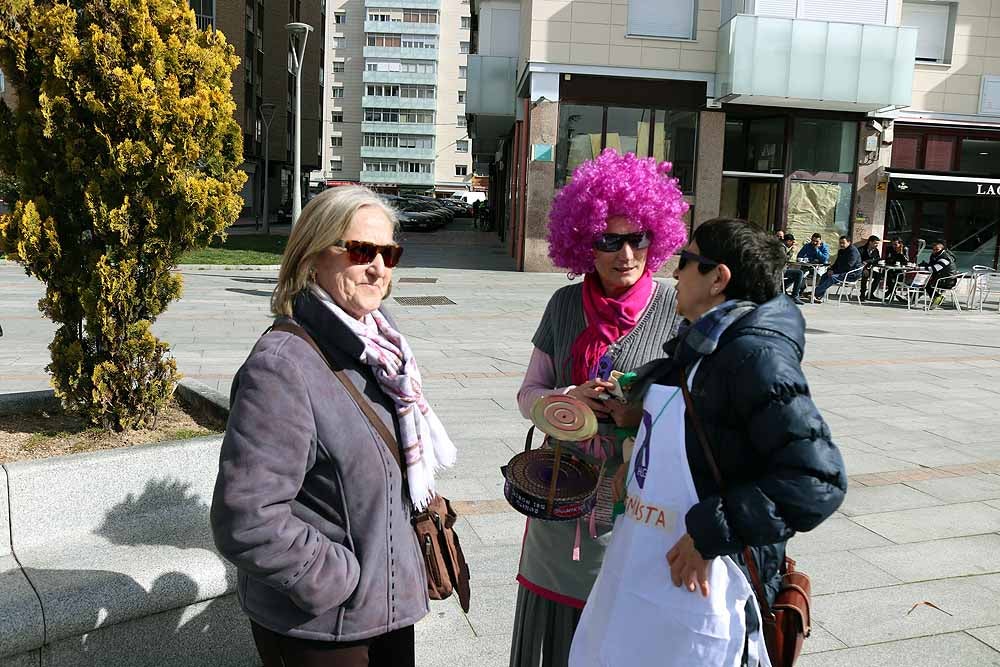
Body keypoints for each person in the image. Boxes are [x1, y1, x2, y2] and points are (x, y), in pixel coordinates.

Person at [572, 218, 846, 666]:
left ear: (718, 279)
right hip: (647, 569)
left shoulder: (755, 355)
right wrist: (639, 456)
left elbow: (818, 480)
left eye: (686, 261)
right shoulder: (702, 346)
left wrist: (711, 534)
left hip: (705, 586)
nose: (675, 273)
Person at [211, 186, 454, 667]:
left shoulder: (381, 353)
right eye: (361, 250)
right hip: (323, 629)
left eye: (389, 253)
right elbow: (246, 517)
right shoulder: (282, 367)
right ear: (312, 256)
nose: (378, 267)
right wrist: (339, 577)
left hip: (385, 613)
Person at [510, 148, 687, 667]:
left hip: (638, 496)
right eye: (609, 240)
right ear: (584, 241)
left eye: (638, 238)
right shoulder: (564, 305)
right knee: (558, 628)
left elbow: (695, 411)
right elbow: (528, 395)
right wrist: (567, 397)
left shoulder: (676, 308)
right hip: (562, 487)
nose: (625, 253)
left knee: (627, 629)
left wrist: (637, 407)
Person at [813, 235, 862, 303]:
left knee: (832, 278)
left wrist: (835, 272)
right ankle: (818, 297)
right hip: (842, 272)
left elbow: (848, 266)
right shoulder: (841, 251)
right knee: (825, 275)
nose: (841, 244)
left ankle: (813, 293)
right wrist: (831, 270)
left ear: (849, 242)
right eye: (840, 243)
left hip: (851, 274)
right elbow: (836, 264)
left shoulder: (853, 252)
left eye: (843, 243)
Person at [920, 240, 959, 308]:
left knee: (925, 283)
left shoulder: (945, 257)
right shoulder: (935, 255)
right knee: (924, 282)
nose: (935, 251)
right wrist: (924, 265)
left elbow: (935, 268)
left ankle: (937, 297)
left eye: (937, 249)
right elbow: (931, 265)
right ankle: (935, 299)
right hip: (941, 278)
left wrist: (919, 268)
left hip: (948, 281)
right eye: (933, 249)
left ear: (942, 249)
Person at [780, 233, 806, 305]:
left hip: (781, 269)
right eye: (792, 242)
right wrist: (792, 251)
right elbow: (784, 259)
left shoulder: (781, 246)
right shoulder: (781, 247)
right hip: (779, 271)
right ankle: (795, 296)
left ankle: (782, 288)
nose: (792, 244)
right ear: (788, 241)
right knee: (799, 273)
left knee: (796, 275)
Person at [858, 235, 882, 301]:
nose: (876, 245)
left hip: (870, 268)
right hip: (860, 269)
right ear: (870, 242)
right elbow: (858, 262)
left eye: (877, 243)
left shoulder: (876, 250)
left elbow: (877, 259)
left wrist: (870, 261)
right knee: (865, 274)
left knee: (879, 275)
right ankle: (862, 294)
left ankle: (870, 293)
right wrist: (864, 266)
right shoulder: (861, 250)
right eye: (875, 243)